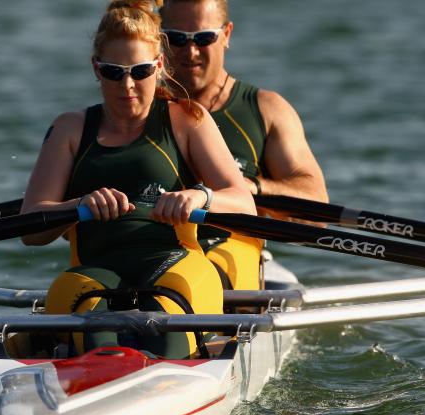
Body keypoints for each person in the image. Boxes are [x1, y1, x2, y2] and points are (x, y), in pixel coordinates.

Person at [20, 0, 256, 359]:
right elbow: (31, 228)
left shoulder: (187, 119)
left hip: (173, 262)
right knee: (96, 339)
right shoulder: (70, 128)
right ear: (96, 69)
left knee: (166, 338)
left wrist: (199, 197)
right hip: (95, 269)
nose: (127, 84)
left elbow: (244, 204)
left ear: (160, 66)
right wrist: (78, 205)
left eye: (141, 71)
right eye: (114, 72)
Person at [160, 0, 329, 291]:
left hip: (230, 261)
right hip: (152, 255)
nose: (190, 52)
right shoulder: (134, 110)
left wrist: (251, 188)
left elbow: (316, 214)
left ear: (226, 35)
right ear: (158, 38)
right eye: (176, 39)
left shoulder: (267, 110)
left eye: (203, 38)